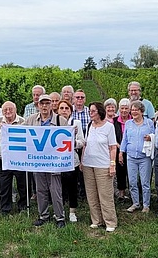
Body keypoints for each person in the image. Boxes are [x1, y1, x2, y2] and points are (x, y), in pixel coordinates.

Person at [25, 93, 67, 228]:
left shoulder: (61, 120)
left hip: (54, 161)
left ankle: (60, 217)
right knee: (40, 190)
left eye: (47, 103)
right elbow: (19, 132)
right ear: (38, 105)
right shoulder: (31, 120)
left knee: (55, 190)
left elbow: (67, 140)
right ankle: (43, 215)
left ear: (51, 105)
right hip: (38, 162)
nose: (44, 106)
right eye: (42, 103)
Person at [82, 101, 118, 232]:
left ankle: (110, 222)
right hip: (88, 164)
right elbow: (85, 144)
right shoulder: (90, 125)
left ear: (100, 112)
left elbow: (113, 147)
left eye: (93, 111)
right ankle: (96, 220)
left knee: (105, 195)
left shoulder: (109, 127)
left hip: (103, 165)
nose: (90, 114)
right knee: (91, 194)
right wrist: (82, 161)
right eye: (90, 111)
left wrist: (112, 164)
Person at [0, 101, 28, 215]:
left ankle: (23, 207)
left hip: (19, 160)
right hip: (4, 160)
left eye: (10, 109)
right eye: (5, 109)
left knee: (22, 185)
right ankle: (5, 209)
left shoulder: (23, 122)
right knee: (4, 186)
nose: (8, 111)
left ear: (15, 110)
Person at [120, 100, 154, 213]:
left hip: (144, 157)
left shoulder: (149, 123)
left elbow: (154, 136)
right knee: (132, 181)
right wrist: (121, 152)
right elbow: (125, 139)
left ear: (141, 111)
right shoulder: (129, 123)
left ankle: (146, 205)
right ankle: (135, 203)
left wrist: (150, 137)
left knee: (145, 182)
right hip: (131, 156)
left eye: (136, 110)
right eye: (132, 110)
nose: (134, 112)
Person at [56, 99, 85, 222]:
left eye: (66, 108)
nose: (64, 111)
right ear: (57, 110)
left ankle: (72, 211)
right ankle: (60, 210)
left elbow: (82, 142)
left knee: (72, 186)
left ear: (71, 111)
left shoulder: (75, 123)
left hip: (72, 160)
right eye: (61, 108)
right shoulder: (54, 123)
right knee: (59, 187)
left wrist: (73, 143)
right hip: (56, 160)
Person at [112, 98, 131, 200]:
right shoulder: (114, 121)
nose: (124, 110)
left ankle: (134, 194)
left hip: (131, 150)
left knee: (131, 173)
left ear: (130, 109)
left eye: (126, 108)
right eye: (122, 108)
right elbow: (111, 136)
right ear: (119, 109)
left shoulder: (133, 120)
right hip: (118, 149)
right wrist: (120, 146)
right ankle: (121, 194)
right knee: (120, 172)